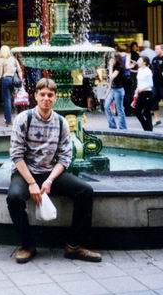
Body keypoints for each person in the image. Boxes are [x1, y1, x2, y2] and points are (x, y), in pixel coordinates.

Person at [7, 78, 101, 264]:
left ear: (55, 98)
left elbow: (65, 157)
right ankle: (28, 245)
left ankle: (74, 246)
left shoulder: (61, 122)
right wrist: (32, 183)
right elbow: (16, 155)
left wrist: (49, 180)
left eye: (50, 95)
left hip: (50, 172)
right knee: (14, 198)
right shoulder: (23, 119)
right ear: (35, 96)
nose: (46, 99)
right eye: (42, 94)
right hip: (25, 172)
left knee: (85, 191)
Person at [0, 45, 22, 126]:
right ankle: (12, 117)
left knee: (6, 100)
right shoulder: (14, 59)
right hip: (13, 80)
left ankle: (8, 120)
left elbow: (0, 73)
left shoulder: (2, 60)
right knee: (12, 99)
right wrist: (21, 82)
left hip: (6, 79)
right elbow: (19, 70)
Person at [104, 53, 127, 130]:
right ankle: (112, 125)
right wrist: (108, 89)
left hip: (118, 90)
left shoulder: (119, 67)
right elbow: (111, 81)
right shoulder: (114, 67)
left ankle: (122, 127)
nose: (111, 60)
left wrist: (110, 66)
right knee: (106, 106)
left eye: (113, 59)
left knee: (119, 109)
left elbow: (111, 77)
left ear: (117, 59)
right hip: (113, 90)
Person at [132, 56, 153, 131]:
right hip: (140, 92)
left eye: (140, 60)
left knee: (147, 112)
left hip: (147, 92)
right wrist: (136, 91)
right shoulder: (140, 69)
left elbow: (150, 84)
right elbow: (139, 82)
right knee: (136, 111)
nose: (138, 61)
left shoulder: (148, 71)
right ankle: (146, 127)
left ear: (144, 62)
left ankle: (149, 129)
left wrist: (141, 89)